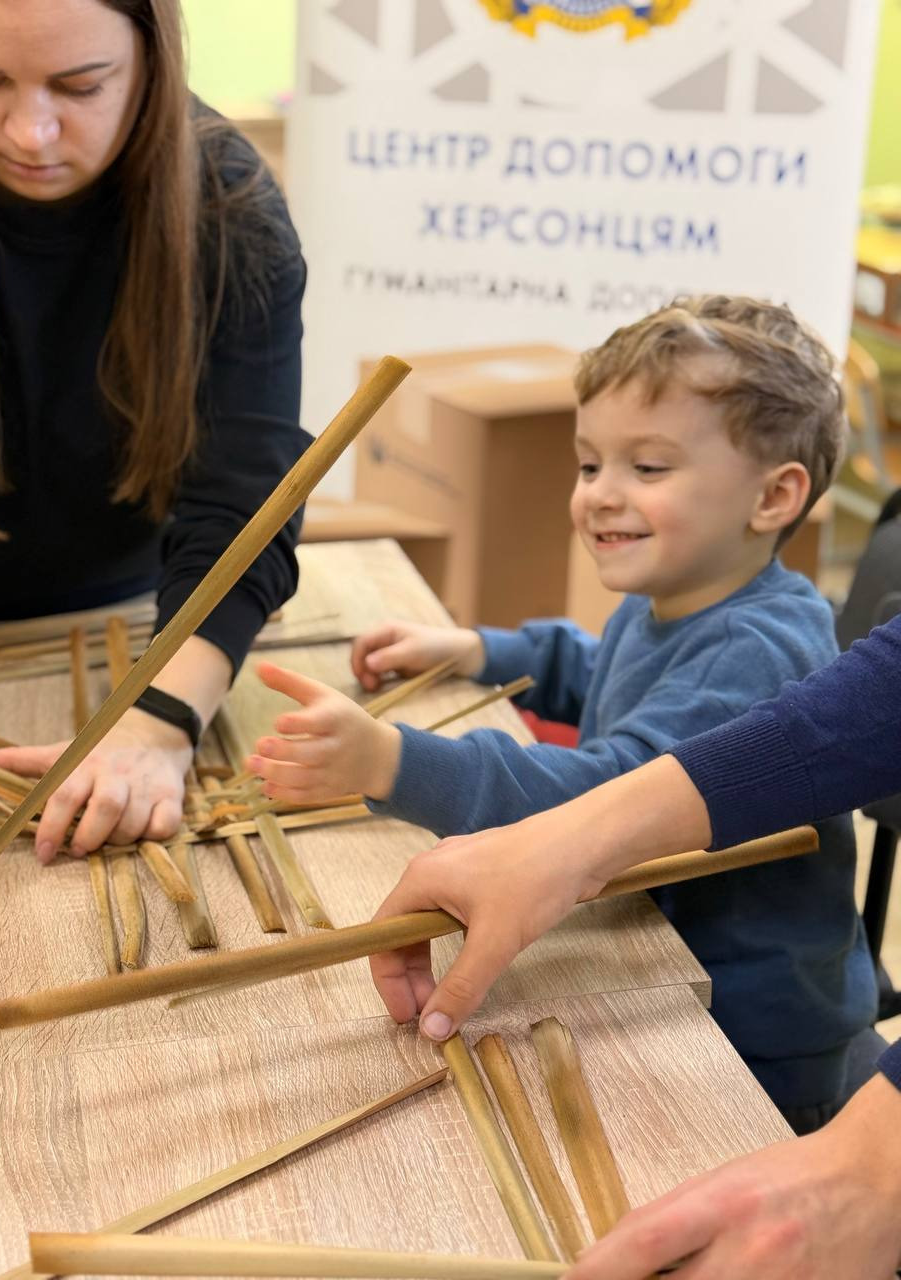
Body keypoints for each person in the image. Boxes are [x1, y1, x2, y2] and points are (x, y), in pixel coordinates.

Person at [248, 296, 879, 1128]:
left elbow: (602, 800)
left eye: (647, 469)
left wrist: (394, 763)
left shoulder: (757, 644)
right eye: (590, 465)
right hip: (655, 961)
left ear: (773, 497)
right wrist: (478, 651)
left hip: (748, 1033)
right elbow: (597, 668)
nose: (600, 496)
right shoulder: (678, 597)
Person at [366, 613, 901, 1279]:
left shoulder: (757, 637)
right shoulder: (661, 614)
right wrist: (570, 840)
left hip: (770, 1061)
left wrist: (877, 1163)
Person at [0, 0, 311, 861]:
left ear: (151, 56)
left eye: (81, 85)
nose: (30, 132)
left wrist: (162, 722)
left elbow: (244, 506)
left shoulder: (229, 201)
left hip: (140, 629)